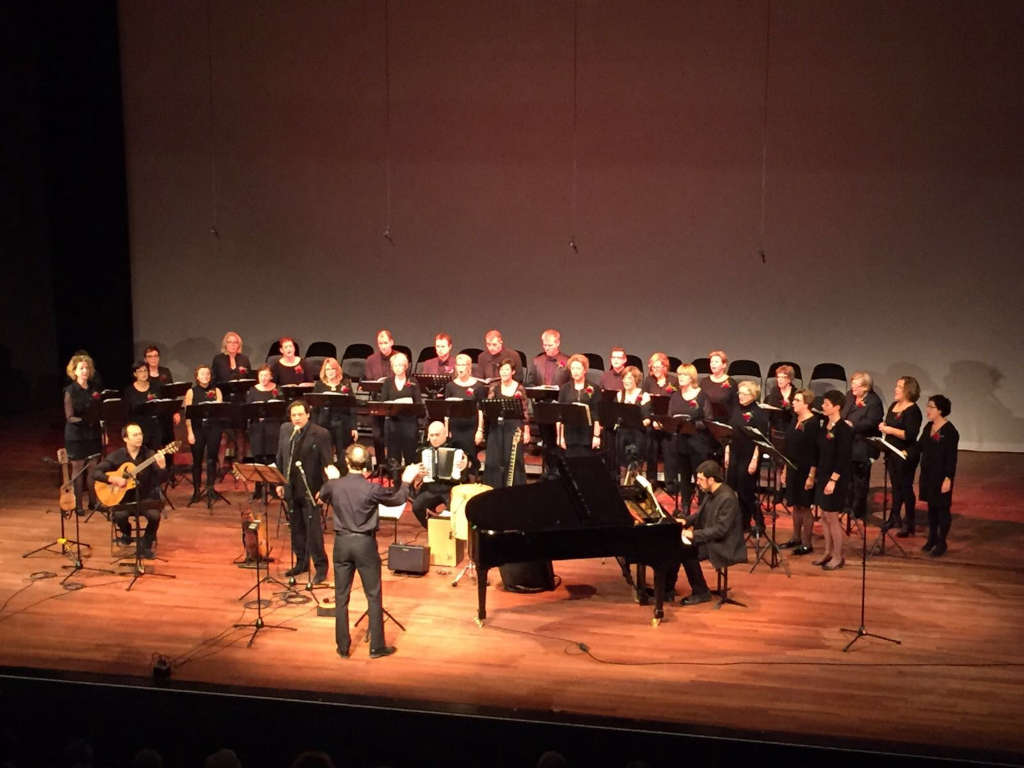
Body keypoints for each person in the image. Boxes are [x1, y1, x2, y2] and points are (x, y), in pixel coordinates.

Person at [319, 443, 423, 659]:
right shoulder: (371, 488)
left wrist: (332, 480)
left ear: (346, 462)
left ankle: (343, 647)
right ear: (367, 464)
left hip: (342, 544)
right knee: (373, 595)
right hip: (365, 544)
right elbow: (397, 499)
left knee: (341, 596)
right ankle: (376, 647)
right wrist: (406, 480)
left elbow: (320, 496)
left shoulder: (335, 485)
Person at [674, 460, 748, 605]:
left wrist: (694, 535)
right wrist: (685, 521)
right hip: (712, 538)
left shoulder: (727, 498)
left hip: (724, 544)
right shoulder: (711, 492)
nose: (698, 483)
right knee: (676, 546)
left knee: (687, 551)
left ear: (711, 479)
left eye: (701, 479)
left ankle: (701, 592)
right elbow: (700, 514)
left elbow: (721, 530)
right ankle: (667, 589)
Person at [275, 399, 333, 582]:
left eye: (300, 414)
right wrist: (279, 483)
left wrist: (324, 491)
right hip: (291, 488)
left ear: (308, 414)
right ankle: (301, 562)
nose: (297, 418)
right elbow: (280, 457)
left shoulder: (320, 434)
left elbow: (328, 464)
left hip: (310, 489)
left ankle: (321, 567)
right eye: (294, 415)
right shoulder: (285, 430)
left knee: (313, 531)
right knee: (296, 529)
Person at [90, 423, 165, 558]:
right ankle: (126, 533)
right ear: (125, 438)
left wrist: (162, 467)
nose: (139, 437)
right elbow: (96, 472)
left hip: (145, 496)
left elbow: (161, 479)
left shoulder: (149, 454)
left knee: (155, 516)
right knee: (119, 516)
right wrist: (113, 479)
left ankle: (146, 544)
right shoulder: (117, 456)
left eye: (140, 434)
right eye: (135, 435)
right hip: (123, 498)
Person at [912, 394, 959, 557]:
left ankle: (941, 542)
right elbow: (919, 446)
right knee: (931, 508)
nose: (927, 410)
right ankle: (932, 538)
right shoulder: (928, 427)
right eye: (928, 406)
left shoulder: (950, 431)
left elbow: (952, 458)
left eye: (931, 407)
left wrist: (948, 478)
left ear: (940, 410)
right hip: (928, 475)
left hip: (941, 476)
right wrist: (904, 452)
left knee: (942, 509)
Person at [812, 390, 853, 570]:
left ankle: (838, 556)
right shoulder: (825, 425)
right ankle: (827, 551)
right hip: (823, 475)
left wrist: (833, 480)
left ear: (837, 407)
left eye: (827, 404)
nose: (823, 406)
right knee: (823, 515)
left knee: (832, 516)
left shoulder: (844, 429)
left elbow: (843, 458)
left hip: (836, 478)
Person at [665, 363, 714, 514]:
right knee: (684, 476)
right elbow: (670, 416)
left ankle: (703, 509)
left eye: (684, 375)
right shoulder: (675, 396)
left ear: (692, 377)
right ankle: (685, 506)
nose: (680, 378)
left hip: (698, 443)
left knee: (699, 477)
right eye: (679, 375)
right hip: (681, 442)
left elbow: (708, 420)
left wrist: (691, 424)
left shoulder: (701, 396)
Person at [878, 376, 923, 535]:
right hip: (892, 452)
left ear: (908, 390)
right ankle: (894, 516)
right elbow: (889, 423)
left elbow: (910, 435)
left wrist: (889, 430)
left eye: (899, 386)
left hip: (905, 454)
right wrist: (884, 426)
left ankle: (909, 522)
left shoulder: (913, 411)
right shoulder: (894, 405)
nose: (895, 389)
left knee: (905, 487)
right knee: (895, 487)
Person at [778, 389, 820, 555]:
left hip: (806, 469)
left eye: (797, 400)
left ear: (806, 404)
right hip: (792, 467)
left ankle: (807, 543)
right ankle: (795, 537)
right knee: (795, 504)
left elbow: (814, 451)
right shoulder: (795, 418)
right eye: (794, 400)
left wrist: (811, 476)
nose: (793, 403)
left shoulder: (813, 423)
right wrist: (785, 469)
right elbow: (789, 445)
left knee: (805, 506)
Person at [724, 379, 769, 534]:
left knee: (746, 491)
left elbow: (760, 440)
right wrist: (727, 452)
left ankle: (759, 522)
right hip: (735, 453)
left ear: (753, 395)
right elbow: (730, 431)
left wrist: (755, 460)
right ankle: (744, 523)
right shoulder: (736, 408)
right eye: (740, 393)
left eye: (744, 394)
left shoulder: (759, 414)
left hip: (750, 456)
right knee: (733, 488)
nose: (741, 396)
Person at [479, 359, 530, 488]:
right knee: (494, 458)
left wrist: (526, 431)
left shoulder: (519, 388)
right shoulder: (494, 387)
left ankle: (514, 489)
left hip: (514, 427)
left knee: (513, 459)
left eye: (507, 369)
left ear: (513, 372)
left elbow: (525, 411)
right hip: (497, 426)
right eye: (502, 369)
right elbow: (488, 407)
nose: (504, 372)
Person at [841, 371, 884, 521]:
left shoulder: (874, 402)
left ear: (866, 387)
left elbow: (872, 422)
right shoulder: (850, 395)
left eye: (856, 385)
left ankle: (858, 509)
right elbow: (843, 412)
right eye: (852, 384)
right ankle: (846, 505)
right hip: (849, 441)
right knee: (847, 477)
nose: (853, 388)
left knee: (859, 479)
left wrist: (852, 425)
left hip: (864, 443)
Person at [63, 353, 103, 513]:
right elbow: (69, 417)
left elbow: (99, 410)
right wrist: (87, 420)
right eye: (81, 368)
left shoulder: (94, 389)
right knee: (78, 470)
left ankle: (94, 502)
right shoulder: (70, 391)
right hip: (77, 435)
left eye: (87, 368)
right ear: (74, 371)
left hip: (93, 434)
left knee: (93, 468)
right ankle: (78, 505)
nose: (85, 371)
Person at [411, 421, 468, 527]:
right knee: (417, 507)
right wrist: (419, 475)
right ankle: (431, 528)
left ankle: (450, 531)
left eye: (437, 435)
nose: (434, 438)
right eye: (432, 435)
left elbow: (471, 465)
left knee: (455, 511)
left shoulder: (456, 446)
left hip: (450, 489)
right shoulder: (423, 451)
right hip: (431, 489)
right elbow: (416, 474)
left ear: (445, 433)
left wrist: (466, 463)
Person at [182, 364, 223, 504]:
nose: (205, 376)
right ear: (197, 377)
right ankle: (196, 490)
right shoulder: (191, 392)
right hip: (197, 429)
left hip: (214, 428)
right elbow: (188, 414)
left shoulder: (217, 390)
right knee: (197, 461)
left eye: (207, 374)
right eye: (202, 374)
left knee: (212, 459)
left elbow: (220, 410)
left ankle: (211, 488)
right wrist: (190, 432)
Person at [245, 365, 283, 497]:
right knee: (258, 457)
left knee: (272, 457)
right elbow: (248, 410)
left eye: (266, 375)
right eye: (261, 375)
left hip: (273, 427)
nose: (264, 378)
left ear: (271, 376)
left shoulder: (277, 389)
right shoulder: (252, 390)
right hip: (257, 428)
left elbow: (281, 408)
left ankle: (273, 487)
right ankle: (258, 489)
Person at [643, 352, 678, 491]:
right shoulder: (648, 381)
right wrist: (652, 420)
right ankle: (651, 482)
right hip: (653, 422)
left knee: (669, 455)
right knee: (651, 453)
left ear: (665, 367)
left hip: (667, 423)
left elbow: (675, 402)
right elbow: (645, 402)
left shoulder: (673, 381)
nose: (655, 370)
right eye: (653, 367)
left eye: (658, 367)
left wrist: (664, 421)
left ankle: (671, 484)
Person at [444, 353, 485, 473]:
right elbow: (447, 411)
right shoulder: (450, 386)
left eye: (463, 365)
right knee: (455, 458)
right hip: (455, 428)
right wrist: (446, 430)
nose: (460, 368)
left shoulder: (478, 386)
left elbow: (481, 410)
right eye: (458, 365)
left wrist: (480, 430)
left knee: (471, 459)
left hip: (471, 428)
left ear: (469, 367)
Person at [379, 351, 422, 466]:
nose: (398, 368)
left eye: (400, 365)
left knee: (410, 455)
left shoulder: (412, 382)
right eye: (395, 365)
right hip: (393, 423)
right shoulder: (388, 382)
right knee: (393, 457)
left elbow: (418, 403)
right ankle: (395, 476)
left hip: (409, 423)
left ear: (405, 366)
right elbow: (383, 402)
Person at [556, 354, 602, 457]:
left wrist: (596, 435)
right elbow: (560, 414)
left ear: (585, 370)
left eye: (578, 368)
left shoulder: (594, 388)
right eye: (573, 368)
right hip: (569, 435)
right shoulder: (565, 389)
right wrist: (560, 436)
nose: (575, 371)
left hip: (587, 435)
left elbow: (597, 414)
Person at [313, 357, 358, 460]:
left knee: (342, 453)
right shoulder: (319, 385)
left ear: (337, 370)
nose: (330, 372)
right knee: (325, 453)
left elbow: (352, 406)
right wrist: (314, 427)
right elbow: (315, 409)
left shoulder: (345, 383)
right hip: (324, 423)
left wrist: (354, 427)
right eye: (327, 369)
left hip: (342, 423)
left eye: (332, 369)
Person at [612, 365, 651, 475]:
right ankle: (624, 482)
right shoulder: (619, 395)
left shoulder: (644, 396)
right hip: (622, 435)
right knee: (623, 465)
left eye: (629, 378)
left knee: (636, 466)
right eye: (624, 378)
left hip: (637, 435)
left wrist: (637, 423)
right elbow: (615, 416)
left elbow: (647, 419)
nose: (626, 381)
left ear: (636, 379)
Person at [123, 360, 164, 448]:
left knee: (155, 452)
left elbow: (160, 406)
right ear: (135, 374)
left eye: (145, 370)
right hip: (138, 428)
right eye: (140, 371)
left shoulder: (155, 387)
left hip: (154, 426)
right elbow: (127, 413)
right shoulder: (129, 391)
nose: (143, 373)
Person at [700, 349, 738, 423]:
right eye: (711, 362)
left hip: (725, 422)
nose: (713, 364)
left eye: (716, 362)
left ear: (724, 365)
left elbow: (735, 406)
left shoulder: (731, 383)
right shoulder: (704, 381)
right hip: (706, 421)